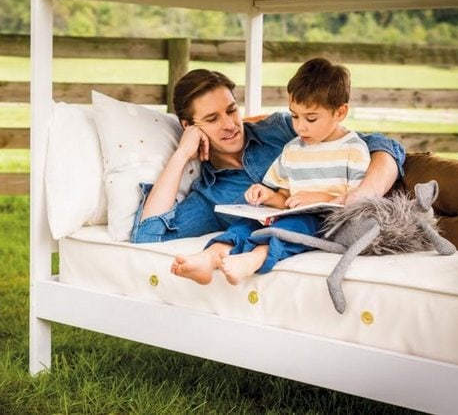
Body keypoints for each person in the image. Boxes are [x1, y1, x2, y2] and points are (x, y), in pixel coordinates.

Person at [130, 67, 405, 285]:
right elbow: (148, 234)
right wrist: (181, 154)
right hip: (306, 227)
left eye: (231, 110)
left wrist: (361, 195)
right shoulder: (209, 195)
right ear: (189, 126)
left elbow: (384, 146)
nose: (229, 125)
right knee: (247, 228)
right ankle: (213, 258)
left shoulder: (282, 129)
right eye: (212, 119)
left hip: (383, 198)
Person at [209, 57, 371, 284]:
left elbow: (361, 203)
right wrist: (268, 195)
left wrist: (323, 198)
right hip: (290, 215)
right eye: (294, 116)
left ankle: (255, 259)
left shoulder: (353, 150)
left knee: (292, 227)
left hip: (326, 223)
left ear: (340, 112)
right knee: (248, 223)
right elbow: (284, 198)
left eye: (311, 118)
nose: (300, 126)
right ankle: (210, 256)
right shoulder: (293, 149)